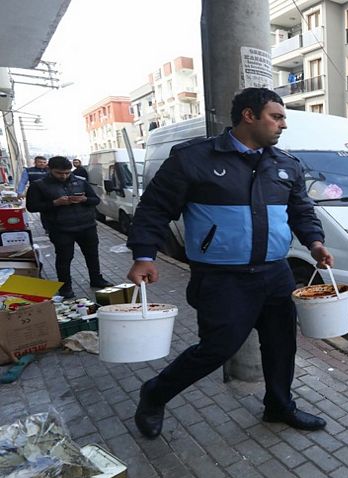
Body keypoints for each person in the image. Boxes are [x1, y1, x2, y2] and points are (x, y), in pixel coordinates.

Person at [126, 87, 333, 439]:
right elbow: (155, 208)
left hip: (275, 273)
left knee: (283, 344)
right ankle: (155, 393)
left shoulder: (284, 164)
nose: (283, 125)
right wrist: (144, 255)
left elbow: (300, 210)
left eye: (283, 118)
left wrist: (315, 242)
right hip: (223, 278)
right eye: (276, 116)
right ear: (248, 115)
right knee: (216, 349)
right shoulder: (194, 159)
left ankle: (279, 406)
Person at [25, 156, 113, 299]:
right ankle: (65, 287)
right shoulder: (39, 185)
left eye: (67, 172)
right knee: (64, 258)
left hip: (87, 225)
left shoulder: (80, 181)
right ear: (50, 169)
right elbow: (32, 207)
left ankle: (96, 279)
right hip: (60, 229)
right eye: (59, 173)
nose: (64, 176)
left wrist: (85, 200)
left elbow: (95, 200)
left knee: (92, 255)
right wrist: (55, 203)